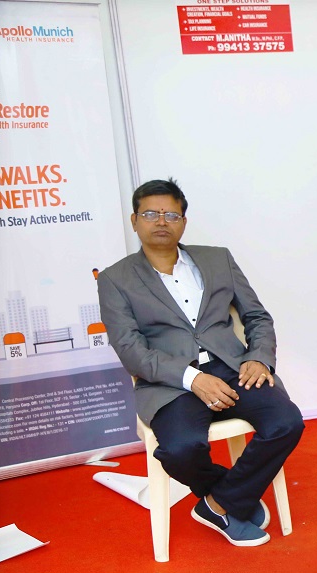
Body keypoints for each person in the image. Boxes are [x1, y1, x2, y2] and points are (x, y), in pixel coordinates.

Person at [97, 179, 304, 548]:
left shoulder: (217, 259)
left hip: (233, 369)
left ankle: (219, 504)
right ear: (134, 220)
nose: (162, 221)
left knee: (286, 423)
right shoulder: (115, 279)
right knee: (180, 451)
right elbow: (130, 349)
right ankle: (232, 497)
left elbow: (257, 316)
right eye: (151, 213)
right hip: (169, 383)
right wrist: (191, 378)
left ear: (184, 221)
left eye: (171, 214)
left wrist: (259, 357)